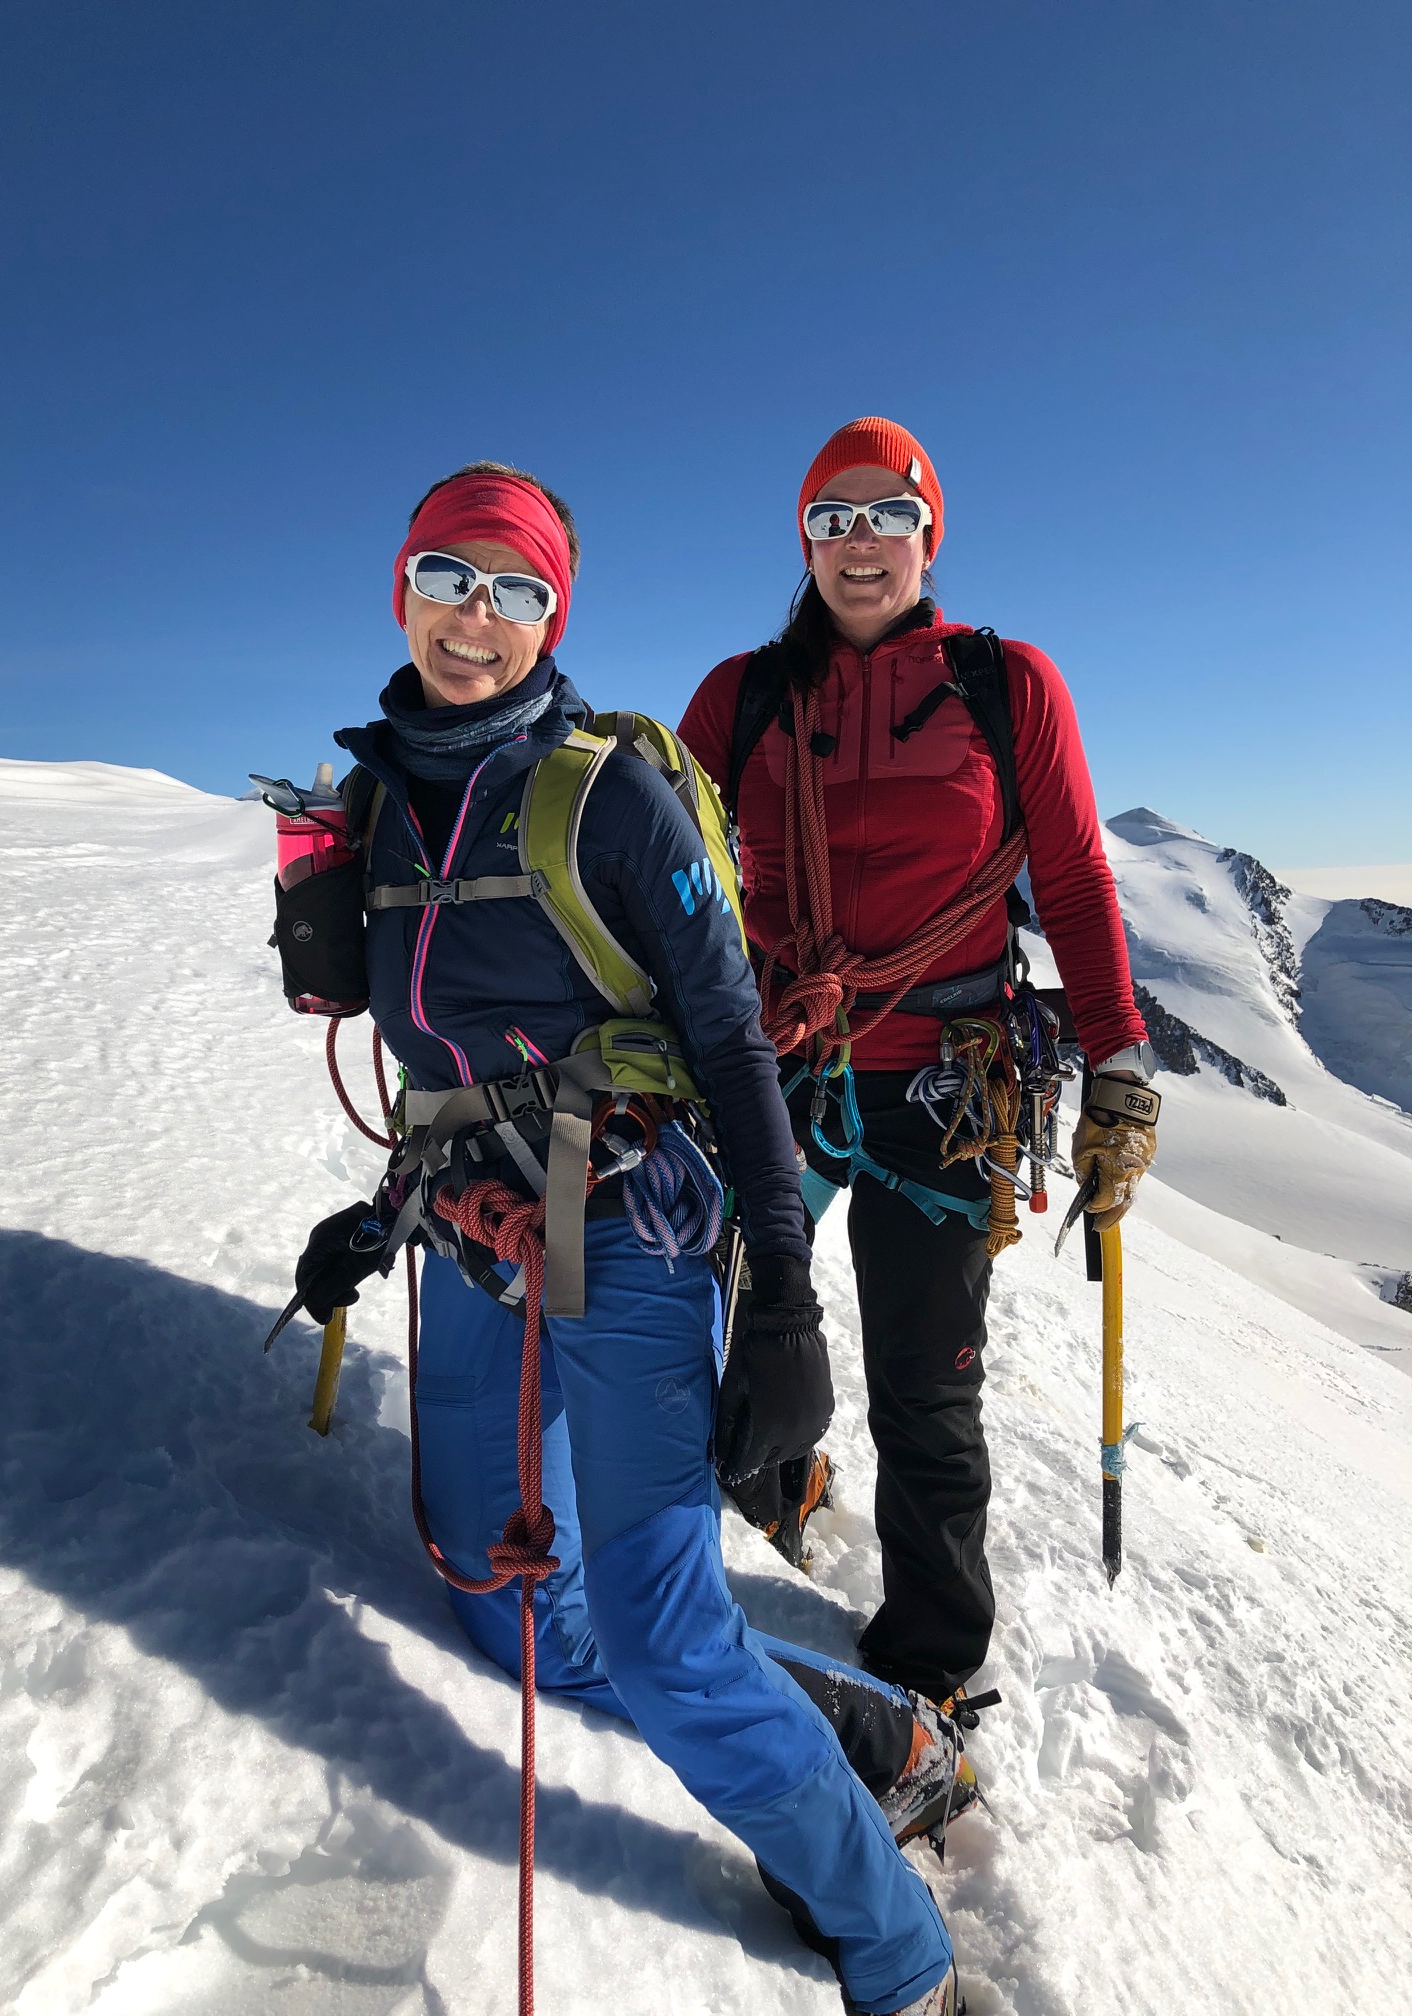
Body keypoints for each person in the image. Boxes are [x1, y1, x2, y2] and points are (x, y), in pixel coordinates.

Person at [289, 462, 967, 2016]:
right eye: (450, 576)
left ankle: (898, 1950)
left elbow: (731, 1047)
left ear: (555, 618)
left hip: (636, 1234)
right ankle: (866, 1734)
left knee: (664, 1646)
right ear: (400, 591)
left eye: (517, 589)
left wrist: (784, 1299)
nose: (477, 617)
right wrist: (377, 1218)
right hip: (474, 1240)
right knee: (513, 1610)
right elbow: (440, 1070)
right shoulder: (381, 811)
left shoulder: (608, 792)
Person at [679, 417, 1158, 1707]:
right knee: (734, 1317)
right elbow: (669, 870)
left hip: (947, 1085)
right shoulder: (740, 698)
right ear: (804, 543)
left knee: (925, 1385)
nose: (859, 540)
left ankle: (930, 1666)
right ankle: (764, 1497)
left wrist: (1119, 1063)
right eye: (830, 517)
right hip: (776, 1063)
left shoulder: (1008, 684)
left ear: (928, 536)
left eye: (887, 513)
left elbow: (1072, 876)